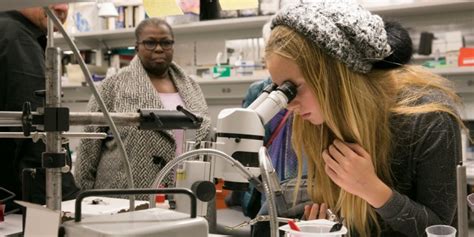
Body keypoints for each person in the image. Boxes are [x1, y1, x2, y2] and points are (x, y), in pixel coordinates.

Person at [254, 1, 463, 236]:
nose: (290, 105)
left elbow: (442, 230)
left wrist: (373, 190)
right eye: (282, 90)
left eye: (295, 88)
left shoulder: (430, 119)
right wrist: (324, 226)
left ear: (335, 76)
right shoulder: (316, 120)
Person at [75, 18, 211, 199]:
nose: (159, 48)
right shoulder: (111, 87)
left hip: (183, 194)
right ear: (137, 46)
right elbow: (88, 147)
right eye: (150, 43)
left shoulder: (191, 87)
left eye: (166, 42)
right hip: (124, 196)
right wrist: (83, 200)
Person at [0, 4, 79, 211]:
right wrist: (67, 203)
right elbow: (36, 130)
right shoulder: (16, 37)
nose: (62, 7)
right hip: (17, 202)